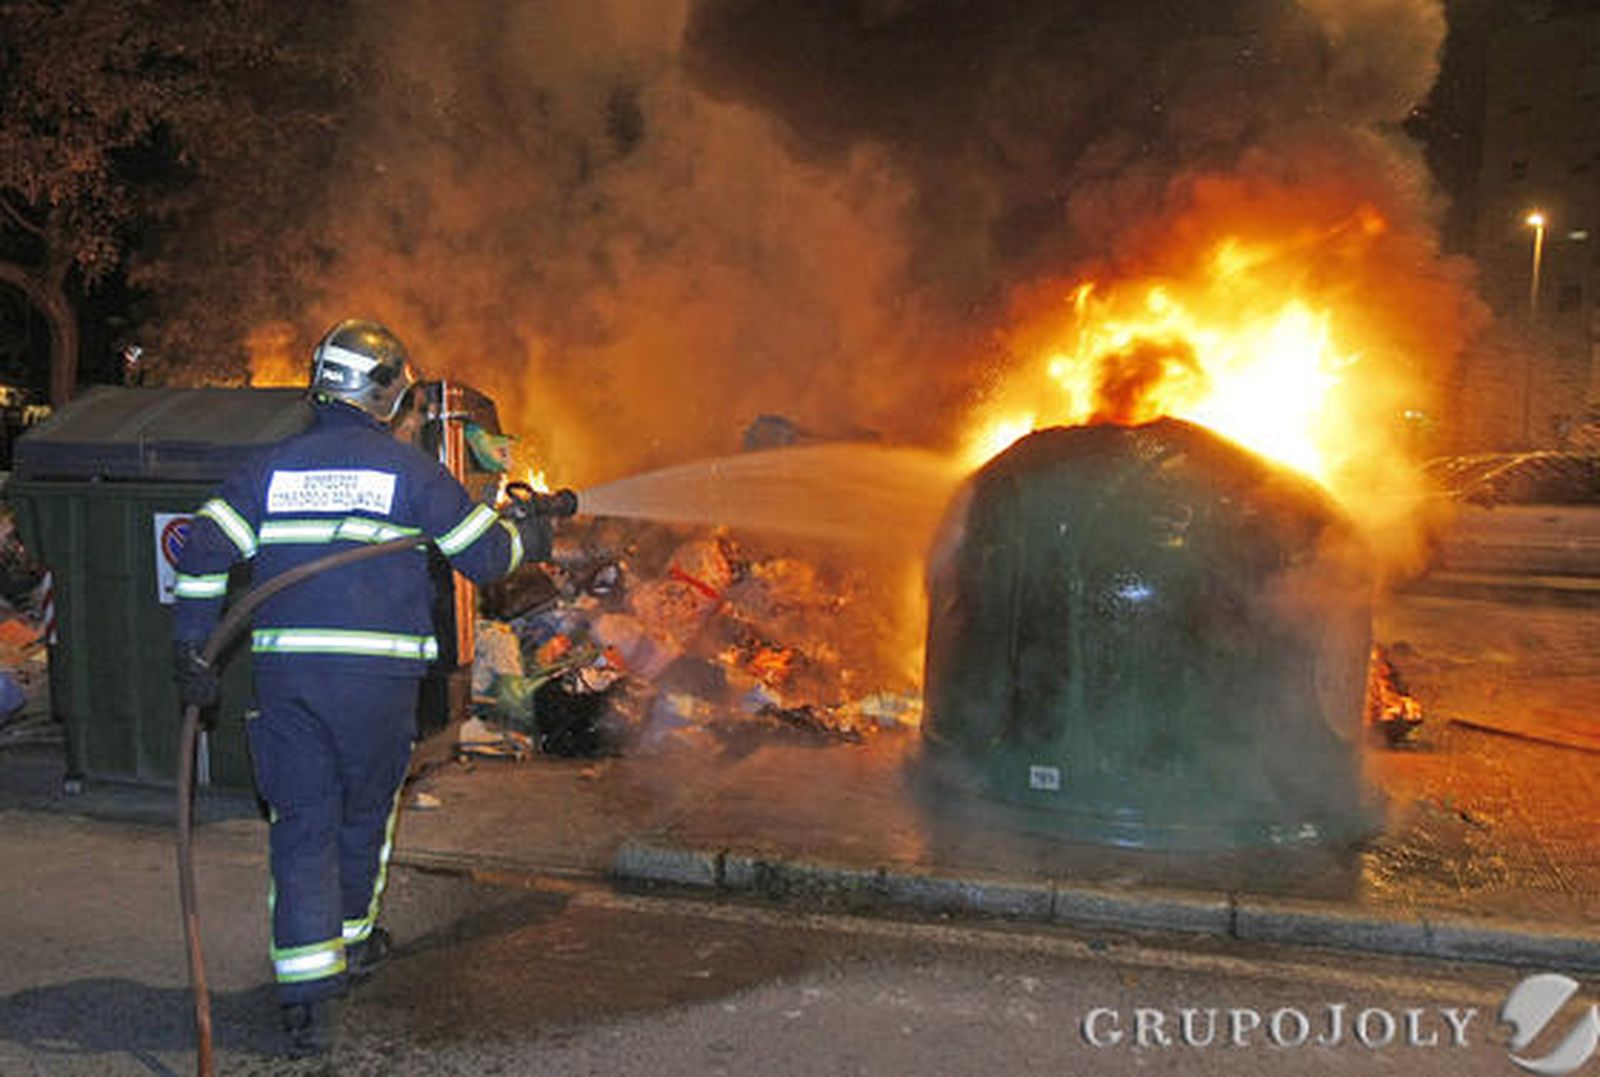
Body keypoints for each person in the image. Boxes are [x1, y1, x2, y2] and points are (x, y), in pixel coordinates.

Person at [169, 319, 572, 1054]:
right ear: (387, 393)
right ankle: (350, 946)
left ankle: (304, 996)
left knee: (301, 825)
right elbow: (486, 557)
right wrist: (533, 535)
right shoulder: (407, 472)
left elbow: (200, 545)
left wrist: (193, 646)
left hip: (290, 681)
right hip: (378, 686)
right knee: (362, 817)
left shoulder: (272, 468)